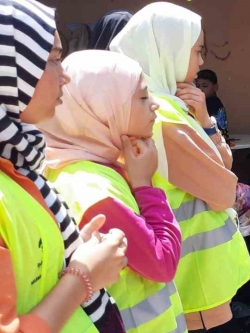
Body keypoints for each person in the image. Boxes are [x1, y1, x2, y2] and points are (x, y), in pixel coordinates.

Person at [110, 3, 250, 332]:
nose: (201, 62)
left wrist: (206, 122)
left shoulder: (161, 105)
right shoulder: (163, 117)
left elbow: (223, 168)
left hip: (188, 273)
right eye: (197, 51)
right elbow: (224, 190)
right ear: (168, 49)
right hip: (196, 281)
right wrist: (206, 126)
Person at [0, 1, 127, 332]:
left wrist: (68, 250)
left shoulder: (19, 163)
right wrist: (82, 277)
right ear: (11, 70)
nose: (65, 75)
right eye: (54, 59)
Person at [38, 50, 186, 333]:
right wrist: (145, 185)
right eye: (143, 97)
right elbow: (163, 264)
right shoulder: (93, 189)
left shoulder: (80, 166)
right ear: (103, 108)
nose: (154, 105)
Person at [195, 69, 229, 140]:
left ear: (215, 87)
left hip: (214, 142)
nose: (200, 89)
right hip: (221, 142)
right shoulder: (215, 102)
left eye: (205, 86)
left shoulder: (210, 103)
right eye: (197, 86)